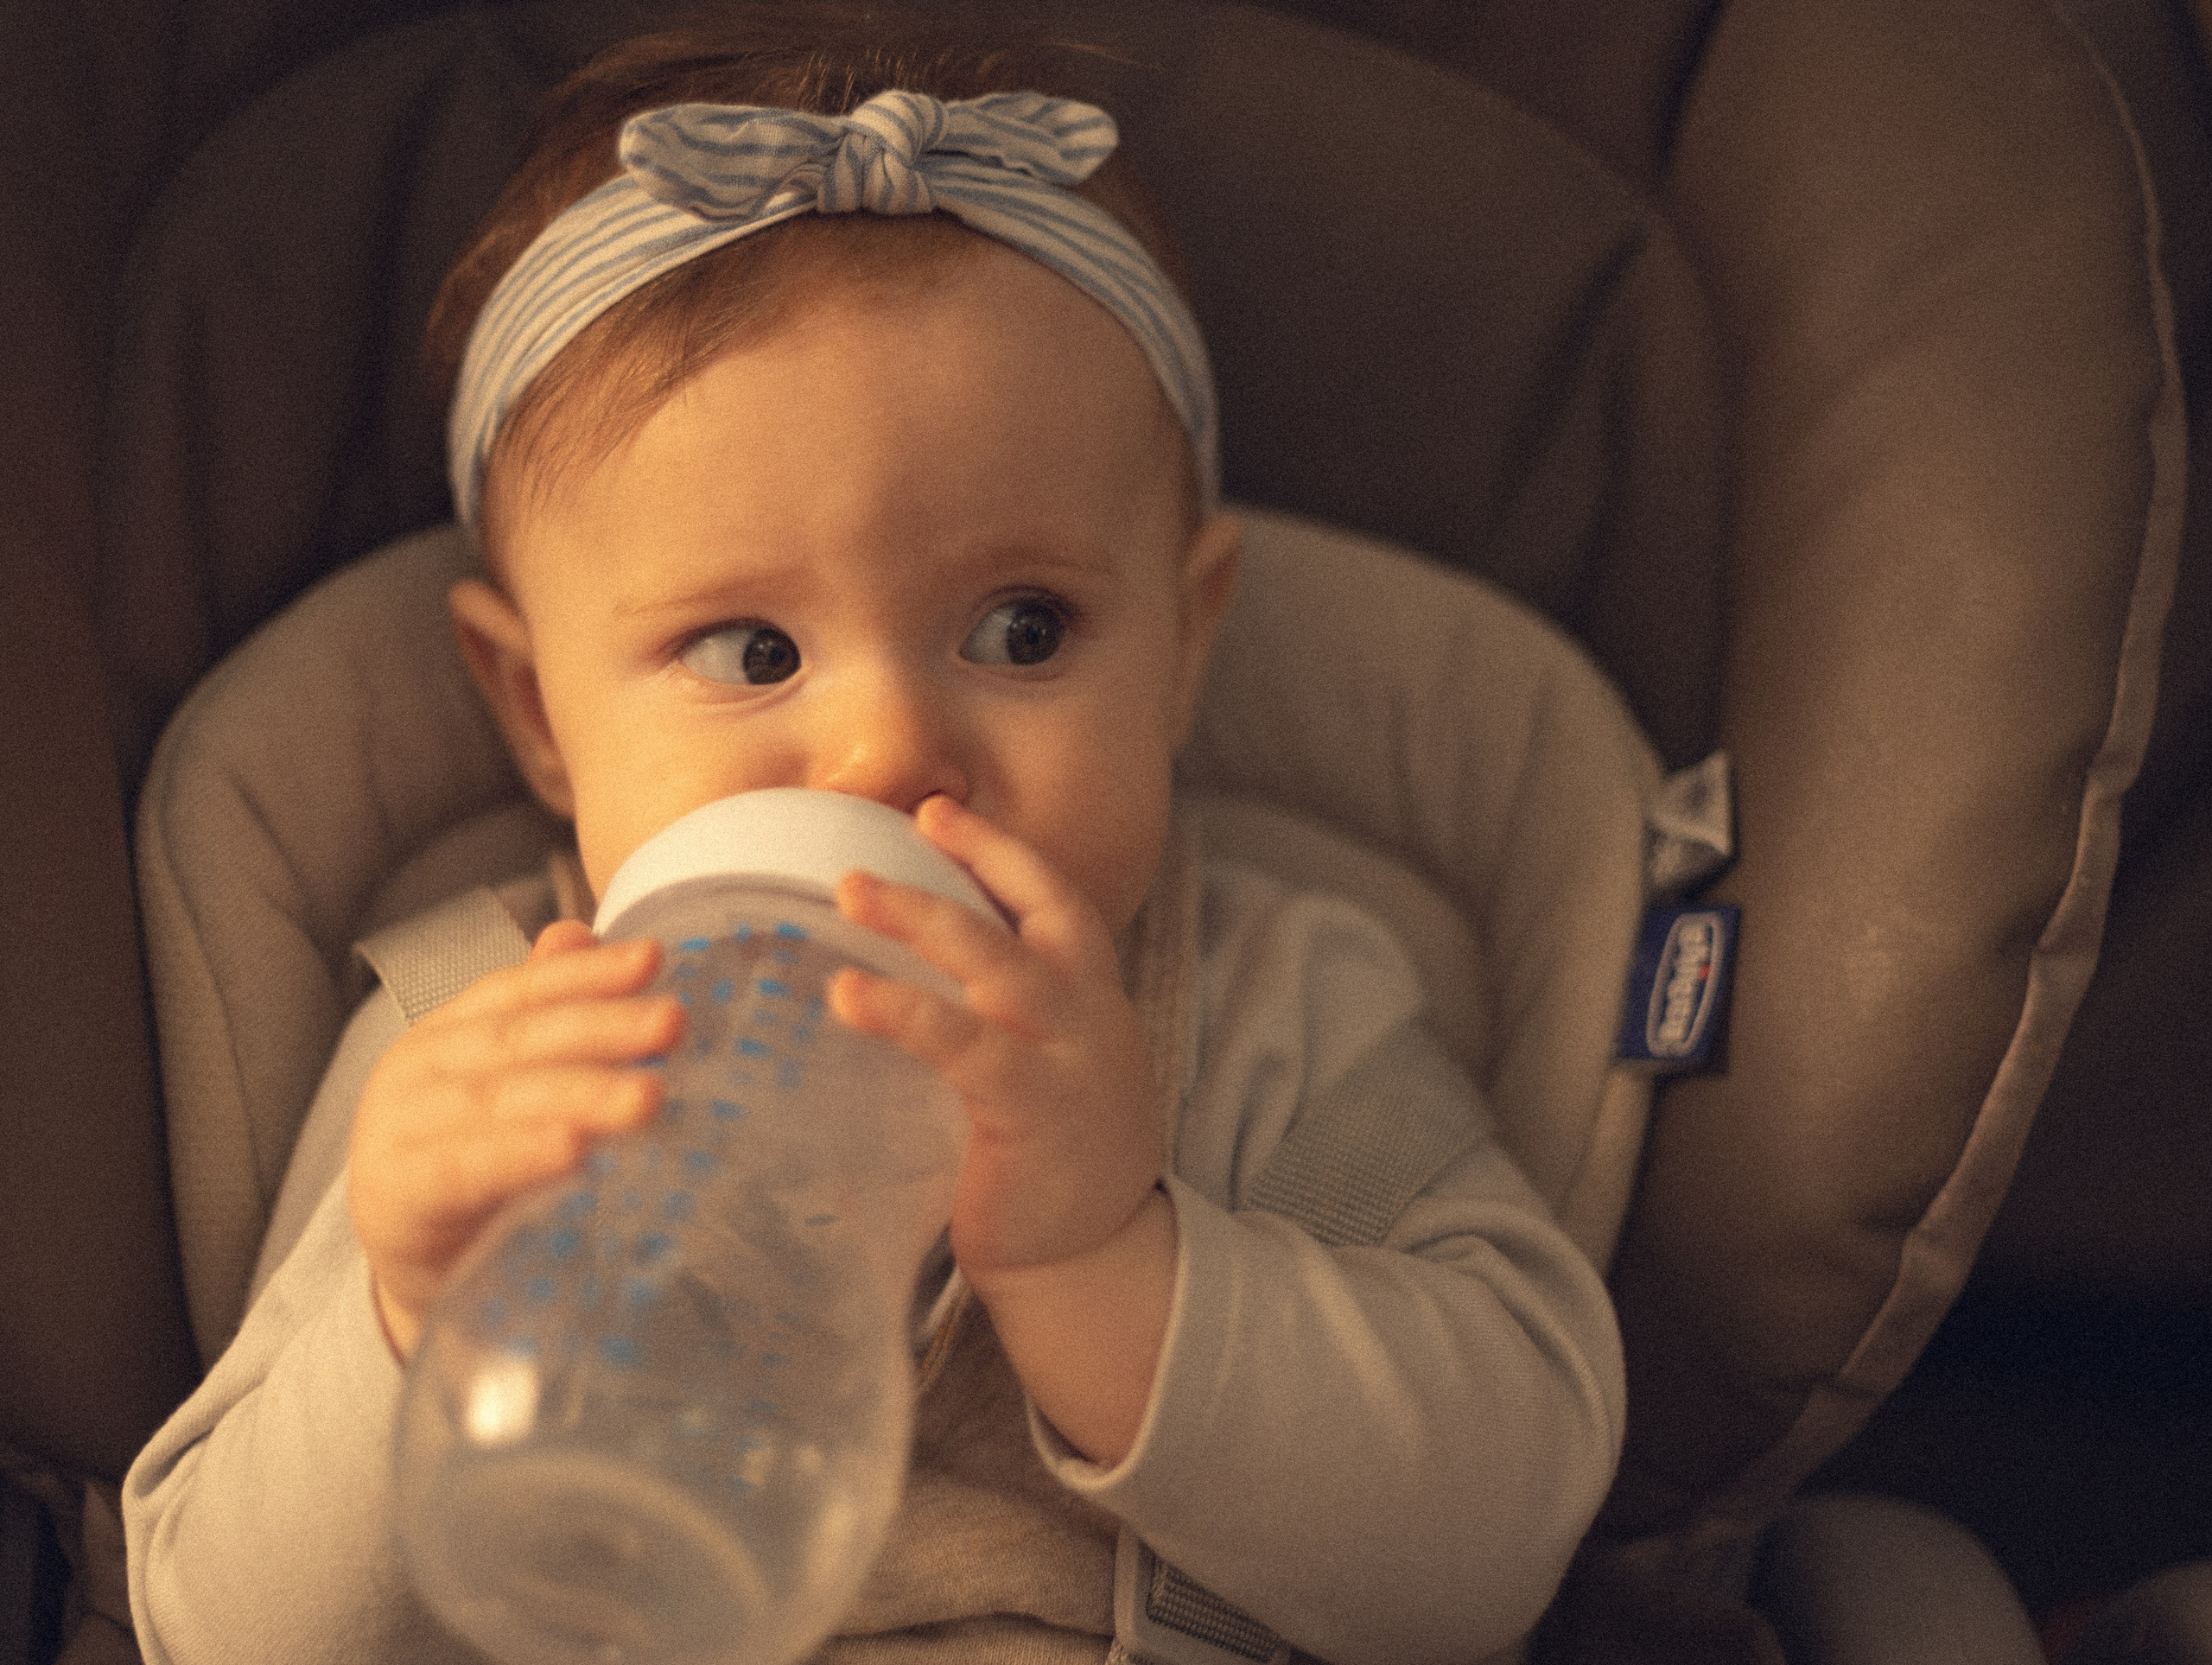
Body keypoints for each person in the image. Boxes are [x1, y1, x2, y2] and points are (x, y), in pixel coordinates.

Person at [124, 16, 1624, 1663]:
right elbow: (217, 1628)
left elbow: (1506, 1529)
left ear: (1187, 648)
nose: (887, 751)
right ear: (538, 712)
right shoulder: (475, 1047)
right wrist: (413, 1308)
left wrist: (1113, 1262)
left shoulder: (1277, 1007)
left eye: (1026, 629)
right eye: (753, 652)